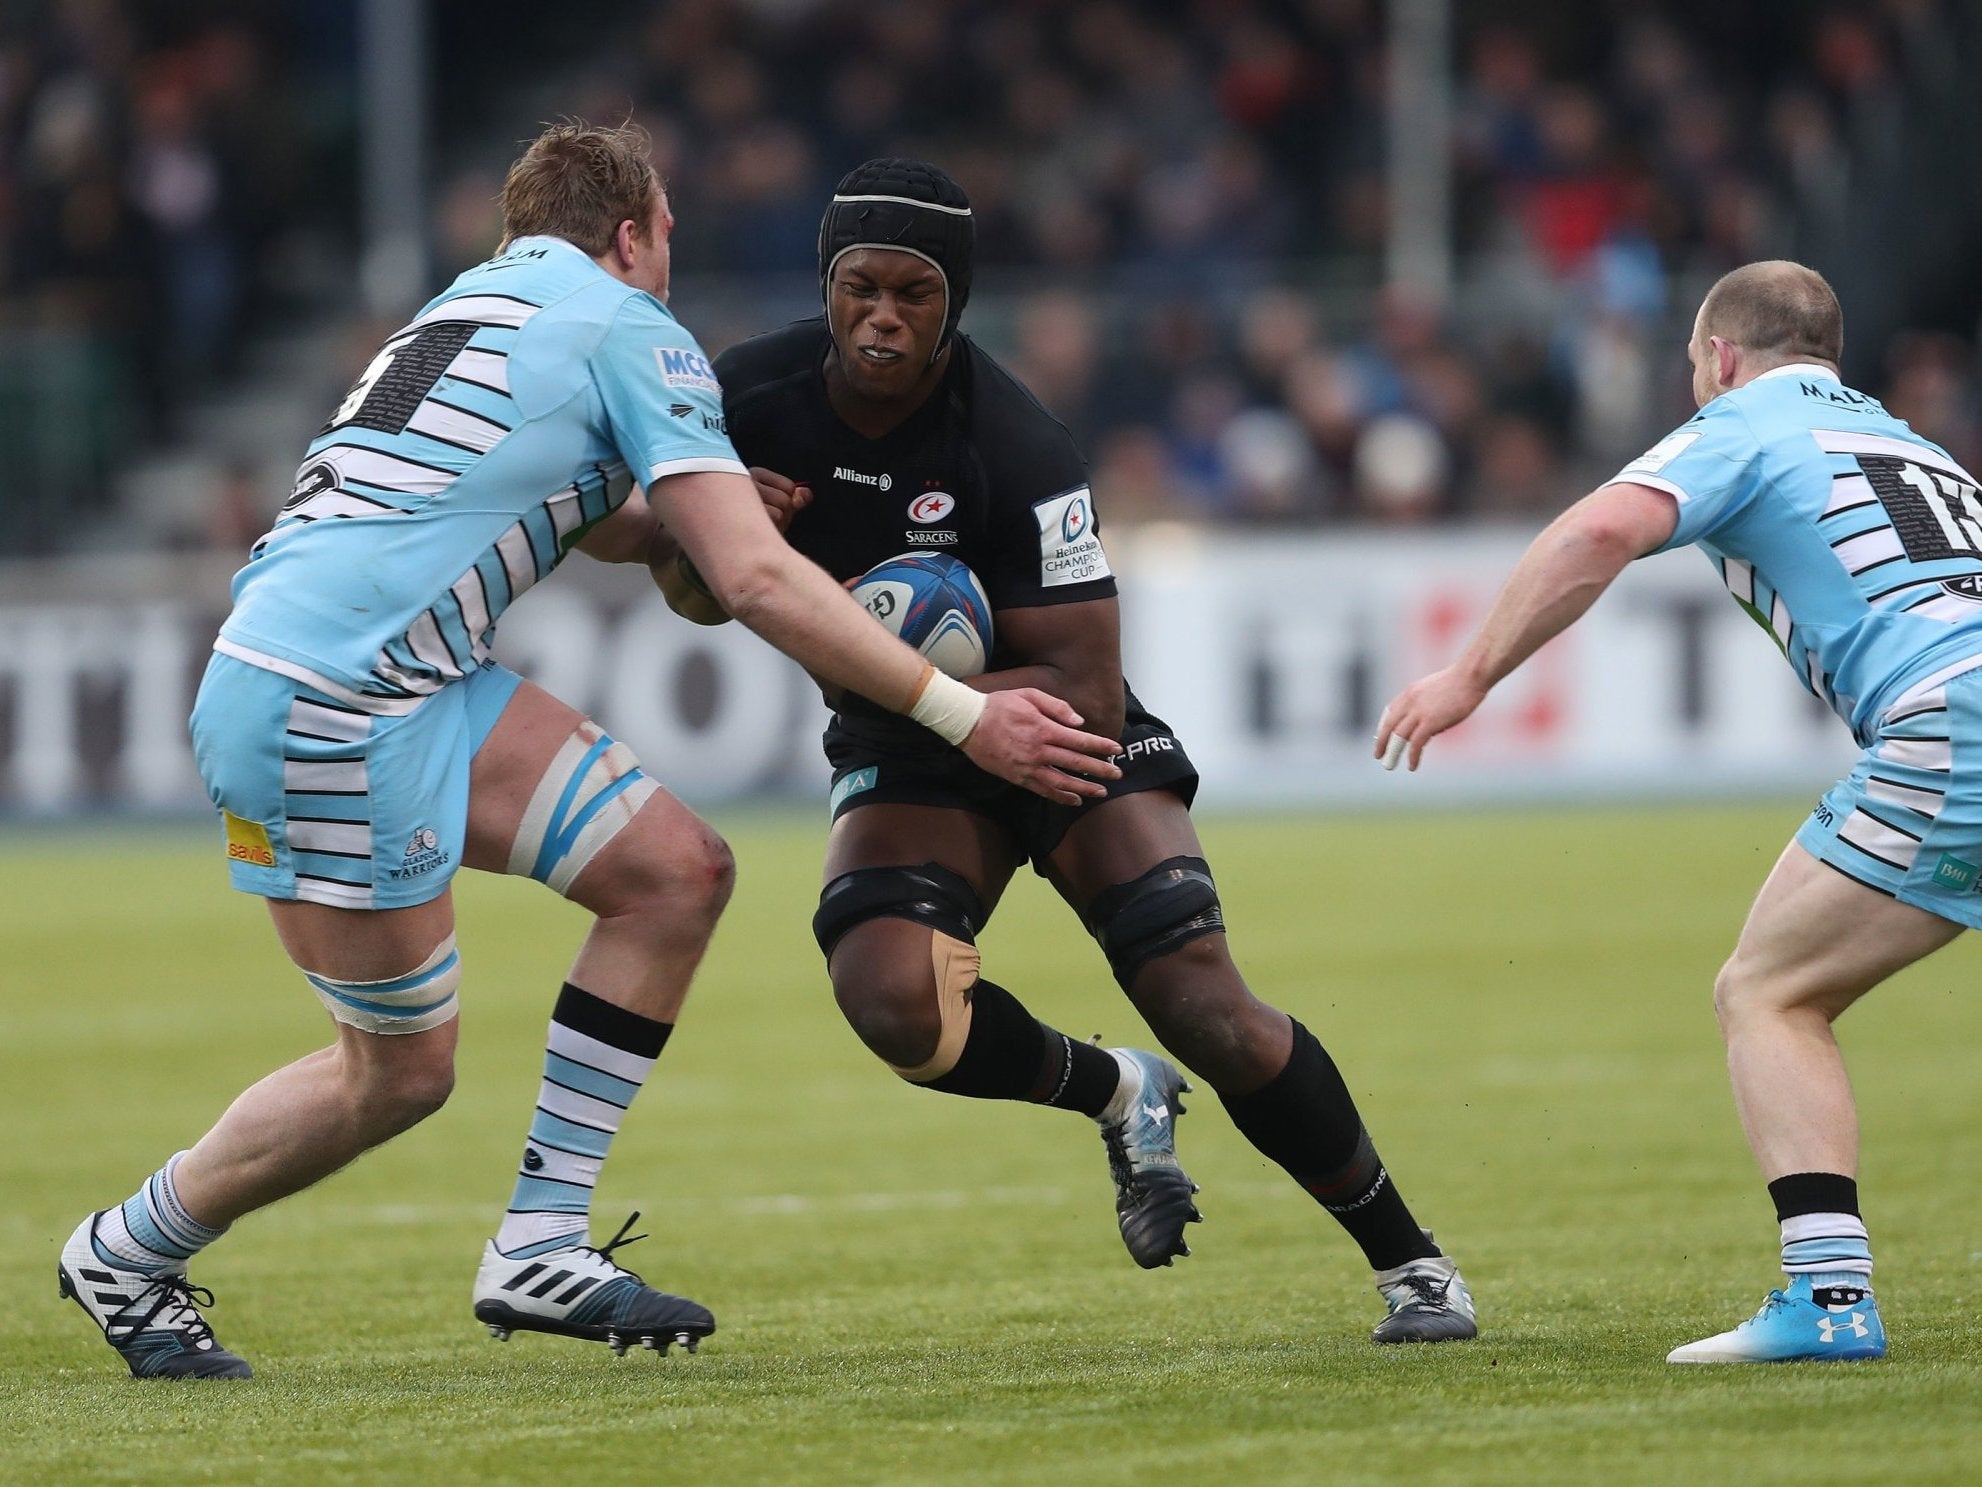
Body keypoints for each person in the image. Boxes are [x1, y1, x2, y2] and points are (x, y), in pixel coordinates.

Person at [57, 123, 1122, 1380]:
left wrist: (693, 509)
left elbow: (582, 515)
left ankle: (540, 1240)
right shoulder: (628, 324)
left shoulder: (465, 307)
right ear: (630, 234)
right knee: (396, 1075)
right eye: (666, 235)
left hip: (381, 677)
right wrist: (964, 710)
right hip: (333, 709)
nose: (669, 263)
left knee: (674, 871)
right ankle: (128, 1246)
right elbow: (753, 581)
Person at [657, 158, 1477, 1344]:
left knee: (1204, 1005)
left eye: (914, 296)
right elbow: (689, 590)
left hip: (1059, 728)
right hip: (910, 740)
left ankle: (1411, 1262)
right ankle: (1117, 1088)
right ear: (826, 285)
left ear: (958, 304)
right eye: (859, 288)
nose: (882, 317)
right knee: (889, 1000)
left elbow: (1086, 682)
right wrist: (728, 552)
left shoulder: (1016, 439)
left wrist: (948, 693)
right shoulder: (747, 395)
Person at [1377, 259, 1980, 1364]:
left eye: (1694, 365)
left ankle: (1827, 1296)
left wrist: (1466, 676)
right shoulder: (1909, 441)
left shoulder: (1745, 417)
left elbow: (1596, 531)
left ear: (1716, 355)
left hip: (1953, 727)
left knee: (1767, 990)